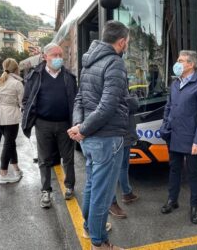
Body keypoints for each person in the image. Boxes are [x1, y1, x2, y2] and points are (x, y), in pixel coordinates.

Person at [67, 20, 129, 250]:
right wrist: (81, 129)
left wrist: (79, 125)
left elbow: (80, 99)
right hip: (106, 138)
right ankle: (99, 243)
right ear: (121, 41)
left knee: (93, 186)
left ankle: (89, 227)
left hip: (90, 138)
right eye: (127, 42)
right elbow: (107, 106)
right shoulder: (114, 63)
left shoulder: (88, 62)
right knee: (103, 195)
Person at [159, 50, 197, 224]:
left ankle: (194, 207)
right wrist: (165, 126)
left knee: (194, 174)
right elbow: (168, 107)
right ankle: (172, 200)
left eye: (181, 60)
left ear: (191, 64)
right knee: (174, 170)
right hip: (174, 136)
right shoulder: (175, 83)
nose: (177, 63)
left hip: (191, 140)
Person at [22, 43, 77, 207]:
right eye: (54, 55)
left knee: (68, 158)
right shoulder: (35, 76)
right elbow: (26, 100)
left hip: (65, 125)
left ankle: (69, 186)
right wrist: (30, 117)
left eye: (61, 55)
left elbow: (76, 100)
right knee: (44, 159)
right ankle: (46, 191)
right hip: (43, 124)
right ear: (45, 57)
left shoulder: (69, 77)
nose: (59, 58)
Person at [108, 93, 139, 219]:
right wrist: (131, 99)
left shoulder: (122, 87)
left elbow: (131, 104)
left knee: (124, 166)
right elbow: (133, 103)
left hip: (126, 136)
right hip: (116, 136)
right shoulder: (111, 89)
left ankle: (127, 193)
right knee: (113, 171)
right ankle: (111, 202)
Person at [0, 58, 24, 184]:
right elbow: (22, 102)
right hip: (11, 115)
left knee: (10, 143)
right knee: (8, 144)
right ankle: (3, 174)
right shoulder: (17, 83)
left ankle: (16, 169)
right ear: (16, 69)